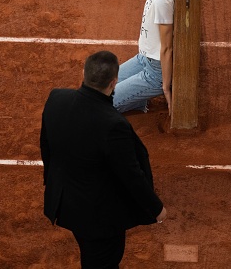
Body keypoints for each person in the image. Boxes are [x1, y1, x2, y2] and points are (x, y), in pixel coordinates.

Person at [40, 50, 167, 269]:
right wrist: (155, 208)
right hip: (97, 218)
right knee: (103, 261)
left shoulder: (56, 98)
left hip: (65, 202)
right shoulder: (114, 125)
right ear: (114, 83)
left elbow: (46, 148)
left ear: (84, 73)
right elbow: (131, 174)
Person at [113, 0, 181, 114]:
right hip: (143, 59)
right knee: (95, 90)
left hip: (155, 73)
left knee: (100, 104)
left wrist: (165, 88)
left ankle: (141, 93)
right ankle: (137, 99)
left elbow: (167, 49)